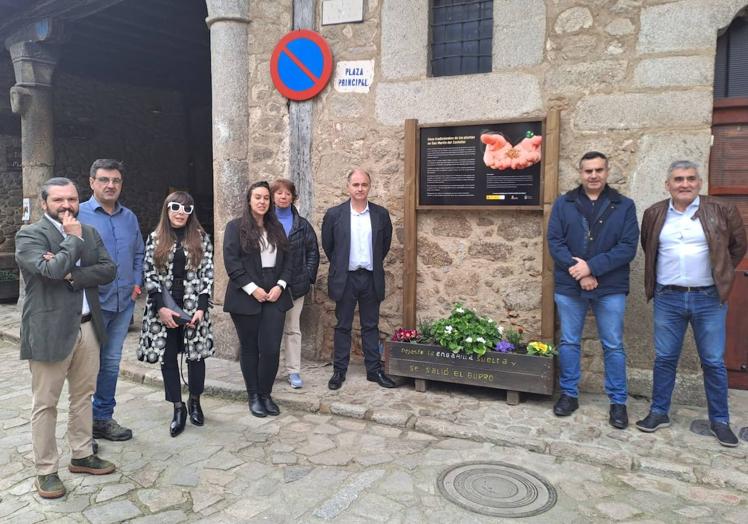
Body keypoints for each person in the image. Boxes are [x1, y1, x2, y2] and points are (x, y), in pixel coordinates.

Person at [16, 177, 117, 499]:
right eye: (58, 200)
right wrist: (70, 243)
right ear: (44, 203)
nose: (67, 206)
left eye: (72, 199)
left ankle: (82, 454)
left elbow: (108, 269)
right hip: (48, 331)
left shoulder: (89, 231)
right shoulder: (29, 235)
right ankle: (46, 470)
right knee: (45, 404)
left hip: (88, 327)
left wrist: (72, 273)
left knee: (83, 396)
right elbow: (50, 272)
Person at [636, 160, 747, 447]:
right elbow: (649, 245)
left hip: (708, 298)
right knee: (664, 358)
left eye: (690, 178)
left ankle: (719, 421)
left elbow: (737, 246)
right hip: (668, 297)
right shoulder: (654, 214)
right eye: (678, 179)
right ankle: (659, 412)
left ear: (699, 183)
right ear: (668, 184)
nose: (684, 184)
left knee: (712, 361)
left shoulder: (721, 210)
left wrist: (720, 274)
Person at [547, 151, 639, 429]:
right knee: (569, 341)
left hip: (609, 285)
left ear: (607, 172)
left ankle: (618, 401)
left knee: (613, 344)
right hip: (570, 284)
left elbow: (627, 247)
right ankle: (569, 394)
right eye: (588, 171)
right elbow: (555, 241)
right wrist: (579, 272)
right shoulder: (565, 204)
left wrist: (592, 268)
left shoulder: (623, 205)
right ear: (580, 173)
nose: (594, 175)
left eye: (599, 170)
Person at [137, 192, 214, 437]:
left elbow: (208, 273)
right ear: (167, 209)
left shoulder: (201, 238)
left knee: (196, 358)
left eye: (187, 208)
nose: (181, 212)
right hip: (165, 309)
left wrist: (202, 307)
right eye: (176, 207)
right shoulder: (155, 238)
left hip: (194, 308)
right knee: (168, 358)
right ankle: (177, 408)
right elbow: (149, 274)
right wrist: (160, 307)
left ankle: (194, 401)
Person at [78, 159, 144, 442]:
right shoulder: (78, 215)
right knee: (84, 366)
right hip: (91, 306)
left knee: (111, 363)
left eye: (116, 181)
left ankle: (102, 418)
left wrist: (137, 283)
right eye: (104, 180)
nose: (110, 185)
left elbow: (139, 253)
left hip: (122, 305)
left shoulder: (129, 217)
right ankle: (81, 430)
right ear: (92, 182)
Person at [321, 168, 396, 390]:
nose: (360, 189)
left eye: (364, 184)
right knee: (343, 325)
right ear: (348, 187)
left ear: (369, 187)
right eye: (356, 185)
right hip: (346, 277)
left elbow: (384, 245)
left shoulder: (380, 214)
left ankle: (374, 371)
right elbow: (329, 246)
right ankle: (339, 371)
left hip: (371, 277)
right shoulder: (335, 214)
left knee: (370, 325)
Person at [224, 180, 293, 417]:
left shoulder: (277, 229)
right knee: (250, 348)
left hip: (275, 293)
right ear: (249, 201)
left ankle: (265, 393)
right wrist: (252, 288)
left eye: (266, 198)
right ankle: (253, 395)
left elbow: (288, 262)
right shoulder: (235, 228)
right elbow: (232, 263)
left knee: (271, 349)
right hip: (246, 296)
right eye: (258, 197)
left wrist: (280, 286)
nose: (262, 201)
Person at [271, 178, 320, 389]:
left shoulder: (302, 225)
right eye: (279, 193)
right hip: (270, 286)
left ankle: (293, 371)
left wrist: (307, 276)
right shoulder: (265, 222)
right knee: (270, 331)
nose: (283, 197)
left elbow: (313, 252)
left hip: (295, 286)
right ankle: (269, 370)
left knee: (292, 329)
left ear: (293, 197)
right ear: (273, 196)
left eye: (287, 193)